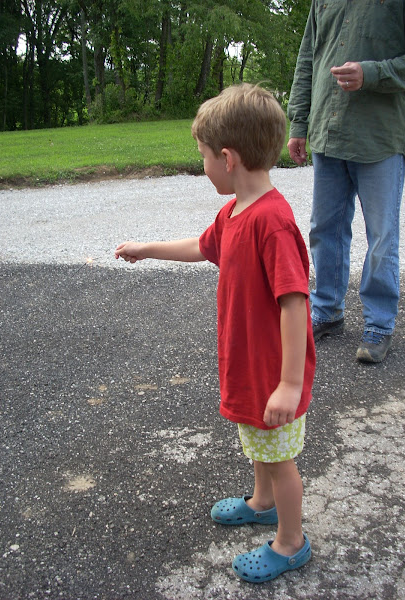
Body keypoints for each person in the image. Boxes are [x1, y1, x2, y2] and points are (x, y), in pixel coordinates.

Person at [115, 83, 316, 583]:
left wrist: (289, 384)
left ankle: (291, 541)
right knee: (258, 442)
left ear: (227, 158)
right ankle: (262, 502)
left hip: (273, 372)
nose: (202, 164)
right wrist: (147, 248)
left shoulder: (272, 223)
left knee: (280, 456)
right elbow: (202, 247)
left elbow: (294, 302)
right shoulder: (233, 213)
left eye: (202, 155)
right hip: (248, 363)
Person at [287, 0, 405, 363]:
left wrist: (372, 74)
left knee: (381, 235)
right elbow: (307, 60)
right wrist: (299, 123)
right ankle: (327, 310)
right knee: (324, 228)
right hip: (328, 132)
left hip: (379, 137)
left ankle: (379, 324)